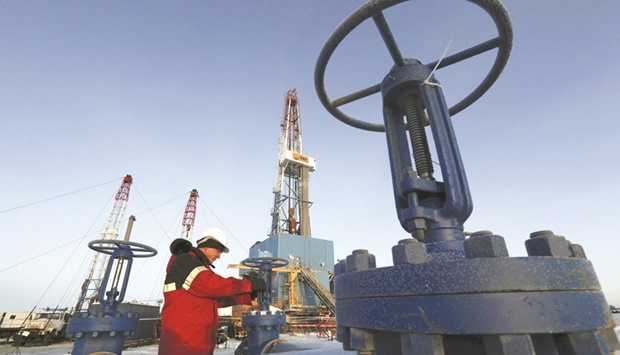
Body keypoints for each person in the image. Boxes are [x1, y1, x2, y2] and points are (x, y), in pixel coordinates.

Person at [158, 227, 266, 355]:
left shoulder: (200, 268)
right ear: (205, 247)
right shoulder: (185, 261)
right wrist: (249, 285)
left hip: (197, 344)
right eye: (218, 251)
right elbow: (212, 284)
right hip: (182, 344)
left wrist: (247, 297)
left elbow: (216, 299)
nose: (219, 256)